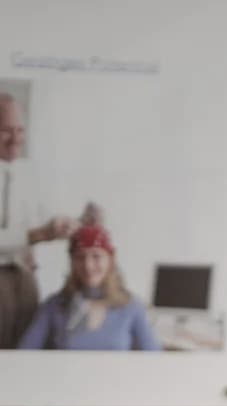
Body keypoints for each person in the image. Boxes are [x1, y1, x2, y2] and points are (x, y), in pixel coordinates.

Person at [0, 92, 76, 348]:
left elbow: (47, 221)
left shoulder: (26, 174)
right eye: (6, 131)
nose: (15, 139)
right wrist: (35, 235)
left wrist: (69, 224)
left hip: (24, 278)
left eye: (20, 130)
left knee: (27, 351)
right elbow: (35, 233)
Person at [19, 224, 161, 351]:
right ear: (72, 262)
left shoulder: (132, 307)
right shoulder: (55, 306)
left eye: (96, 256)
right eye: (80, 257)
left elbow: (154, 360)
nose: (88, 265)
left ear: (110, 260)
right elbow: (23, 355)